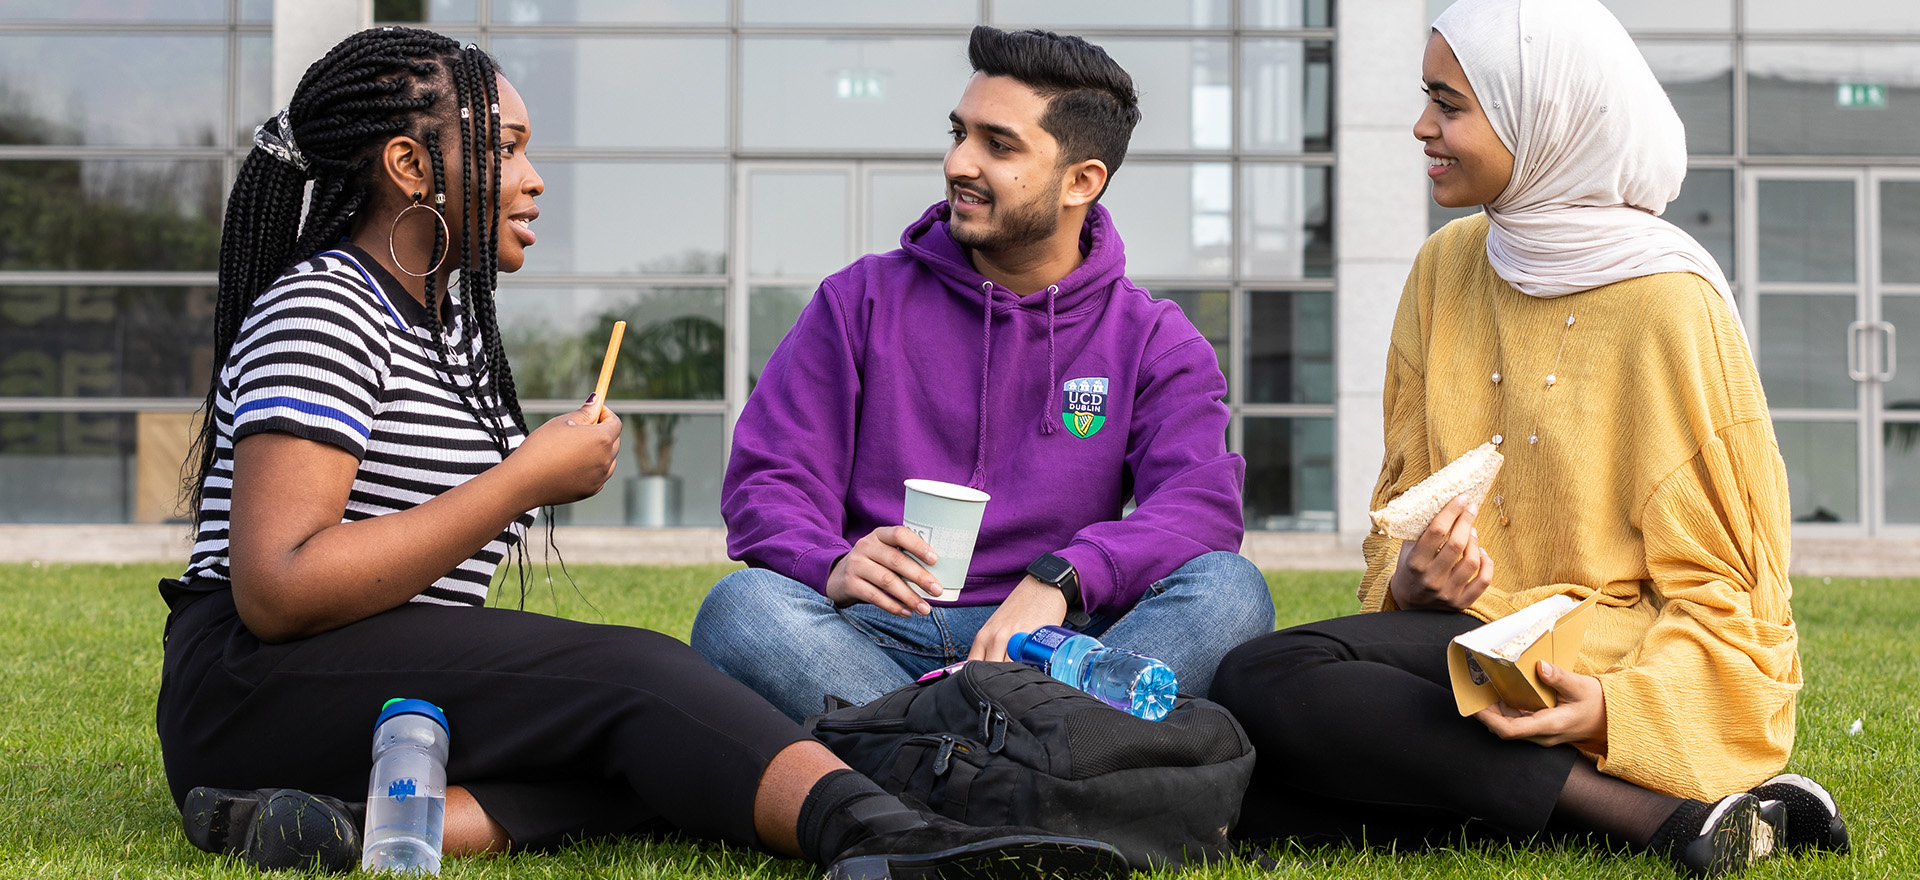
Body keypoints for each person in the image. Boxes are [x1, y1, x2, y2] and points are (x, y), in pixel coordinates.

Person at [154, 27, 1127, 878]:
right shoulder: (326, 306)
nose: (534, 178)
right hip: (251, 688)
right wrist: (522, 481)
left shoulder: (442, 328)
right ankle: (891, 835)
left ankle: (358, 828)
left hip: (363, 681)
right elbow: (278, 589)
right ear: (411, 167)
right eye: (509, 148)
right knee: (639, 677)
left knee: (684, 751)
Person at [1209, 1, 1848, 877]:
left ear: (1540, 119)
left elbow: (1729, 591)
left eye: (1450, 104)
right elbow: (1403, 506)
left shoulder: (1669, 301)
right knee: (1240, 761)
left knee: (1261, 682)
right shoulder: (1445, 266)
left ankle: (1648, 814)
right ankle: (1656, 814)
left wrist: (1612, 711)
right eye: (1427, 98)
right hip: (1463, 642)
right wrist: (1409, 581)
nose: (1422, 126)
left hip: (1600, 653)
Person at [690, 25, 1274, 723]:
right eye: (958, 133)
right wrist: (831, 563)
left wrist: (1063, 578)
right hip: (878, 634)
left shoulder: (1154, 340)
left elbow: (1198, 505)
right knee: (743, 608)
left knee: (1231, 590)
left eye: (998, 145)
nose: (959, 162)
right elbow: (771, 477)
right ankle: (1026, 753)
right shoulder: (858, 301)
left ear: (1081, 181)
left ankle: (933, 752)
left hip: (1058, 643)